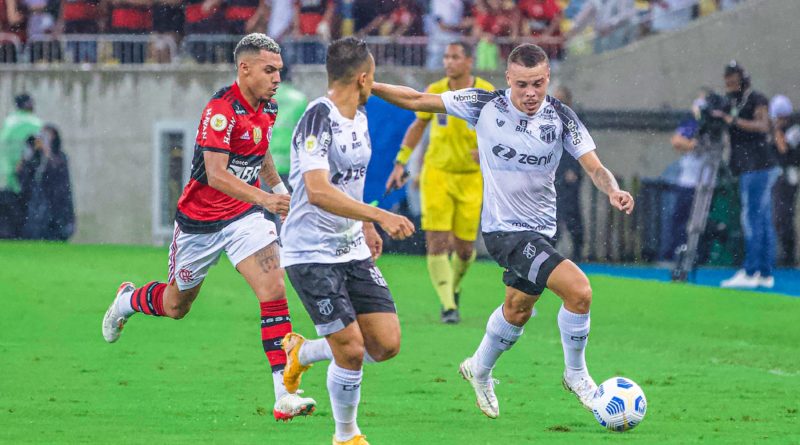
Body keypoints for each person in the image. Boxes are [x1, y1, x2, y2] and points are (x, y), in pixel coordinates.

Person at [372, 43, 635, 418]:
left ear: (548, 79)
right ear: (508, 78)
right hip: (504, 230)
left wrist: (613, 189)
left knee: (518, 309)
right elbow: (416, 100)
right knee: (579, 291)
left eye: (539, 84)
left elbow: (594, 166)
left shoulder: (560, 116)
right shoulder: (483, 104)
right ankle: (576, 375)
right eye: (523, 84)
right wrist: (367, 86)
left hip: (541, 231)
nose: (530, 93)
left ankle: (479, 368)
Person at [100, 33, 316, 421]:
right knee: (176, 305)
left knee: (273, 288)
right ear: (244, 68)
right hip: (200, 223)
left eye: (279, 71)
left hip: (244, 217)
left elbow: (260, 148)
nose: (277, 78)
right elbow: (215, 175)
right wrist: (267, 199)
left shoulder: (268, 108)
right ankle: (127, 301)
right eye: (269, 70)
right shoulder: (221, 109)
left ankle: (284, 394)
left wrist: (279, 191)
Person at [278, 37, 415, 445]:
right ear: (363, 76)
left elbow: (348, 184)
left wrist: (365, 225)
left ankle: (302, 354)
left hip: (350, 245)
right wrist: (380, 215)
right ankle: (346, 436)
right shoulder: (317, 118)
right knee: (352, 351)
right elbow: (318, 191)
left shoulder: (360, 113)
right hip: (310, 253)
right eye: (374, 76)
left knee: (385, 344)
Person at [386, 41, 493, 324]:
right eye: (446, 56)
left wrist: (485, 150)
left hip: (470, 179)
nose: (448, 61)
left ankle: (453, 288)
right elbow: (418, 125)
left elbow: (500, 131)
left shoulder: (485, 92)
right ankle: (448, 306)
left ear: (469, 61)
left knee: (465, 248)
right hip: (437, 174)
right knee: (437, 241)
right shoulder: (435, 90)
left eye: (455, 56)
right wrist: (401, 162)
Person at [718, 61, 779, 289]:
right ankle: (764, 272)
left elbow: (763, 125)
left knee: (753, 218)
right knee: (761, 219)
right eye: (728, 82)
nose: (730, 86)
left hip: (758, 166)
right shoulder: (732, 101)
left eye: (734, 81)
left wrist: (734, 121)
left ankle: (752, 270)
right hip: (750, 166)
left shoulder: (756, 99)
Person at [17, 124, 75, 240]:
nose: (41, 139)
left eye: (45, 136)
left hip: (57, 209)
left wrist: (47, 150)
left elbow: (56, 172)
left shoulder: (60, 157)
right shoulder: (35, 158)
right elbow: (23, 177)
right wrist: (27, 155)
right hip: (37, 210)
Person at [0, 93, 42, 238]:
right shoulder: (34, 122)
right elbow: (37, 148)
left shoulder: (9, 121)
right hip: (25, 173)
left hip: (5, 173)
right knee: (24, 210)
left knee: (7, 212)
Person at [553, 85, 585, 261]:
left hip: (568, 178)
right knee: (555, 216)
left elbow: (579, 147)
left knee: (572, 215)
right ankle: (552, 250)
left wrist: (573, 169)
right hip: (555, 176)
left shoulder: (573, 122)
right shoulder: (549, 120)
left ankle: (578, 251)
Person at [769, 95, 800, 267]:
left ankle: (788, 256)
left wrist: (777, 132)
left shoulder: (793, 128)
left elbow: (783, 148)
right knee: (777, 216)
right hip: (777, 176)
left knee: (784, 216)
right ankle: (782, 253)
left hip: (788, 176)